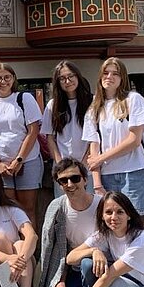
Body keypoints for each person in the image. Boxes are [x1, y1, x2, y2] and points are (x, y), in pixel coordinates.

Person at [36, 158, 108, 287]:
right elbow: (54, 252)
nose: (70, 184)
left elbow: (128, 227)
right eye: (63, 180)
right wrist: (59, 282)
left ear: (85, 179)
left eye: (75, 178)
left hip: (105, 271)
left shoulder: (103, 205)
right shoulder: (57, 208)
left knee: (88, 263)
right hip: (73, 272)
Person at [83, 57, 144, 221]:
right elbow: (94, 147)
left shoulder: (133, 99)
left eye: (115, 74)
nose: (110, 77)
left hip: (133, 172)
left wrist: (101, 158)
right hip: (107, 176)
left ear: (122, 78)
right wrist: (97, 184)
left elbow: (134, 140)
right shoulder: (95, 106)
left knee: (139, 224)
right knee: (112, 227)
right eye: (106, 73)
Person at [0, 63, 44, 232]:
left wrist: (19, 159)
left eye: (7, 77)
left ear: (13, 79)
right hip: (2, 165)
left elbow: (33, 130)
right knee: (9, 211)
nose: (3, 81)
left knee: (28, 210)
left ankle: (30, 254)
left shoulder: (24, 99)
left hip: (27, 161)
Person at [41, 61, 93, 195]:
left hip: (88, 168)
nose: (67, 81)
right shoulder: (53, 105)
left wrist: (82, 166)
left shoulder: (92, 102)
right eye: (62, 78)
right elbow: (50, 138)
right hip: (62, 171)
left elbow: (95, 137)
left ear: (78, 77)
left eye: (71, 76)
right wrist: (61, 166)